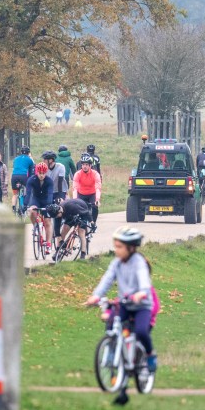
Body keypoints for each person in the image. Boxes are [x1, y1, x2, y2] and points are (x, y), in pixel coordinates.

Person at [85, 226, 157, 372]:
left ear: (131, 248)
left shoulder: (138, 262)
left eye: (119, 247)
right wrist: (96, 295)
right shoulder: (116, 263)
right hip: (125, 304)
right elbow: (107, 279)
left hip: (142, 305)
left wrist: (142, 293)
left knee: (141, 331)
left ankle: (150, 355)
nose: (116, 250)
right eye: (115, 246)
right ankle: (111, 353)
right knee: (111, 323)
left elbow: (144, 279)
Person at [25, 162, 55, 250]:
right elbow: (28, 193)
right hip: (36, 199)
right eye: (40, 173)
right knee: (32, 211)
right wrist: (25, 204)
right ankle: (35, 226)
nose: (41, 175)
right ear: (37, 172)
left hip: (46, 200)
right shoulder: (31, 179)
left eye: (43, 173)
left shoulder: (49, 181)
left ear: (46, 173)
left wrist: (49, 205)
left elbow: (50, 194)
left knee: (47, 221)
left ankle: (48, 243)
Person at [72, 154, 101, 226]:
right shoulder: (77, 174)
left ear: (90, 165)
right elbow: (75, 188)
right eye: (83, 164)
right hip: (81, 194)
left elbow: (98, 188)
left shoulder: (95, 174)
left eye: (86, 164)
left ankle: (93, 223)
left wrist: (97, 199)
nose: (84, 166)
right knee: (79, 208)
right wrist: (75, 199)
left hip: (92, 194)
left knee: (94, 207)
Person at [10, 146, 34, 213]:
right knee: (28, 190)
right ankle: (25, 206)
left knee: (15, 194)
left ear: (21, 152)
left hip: (14, 176)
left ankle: (14, 208)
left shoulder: (16, 159)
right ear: (28, 152)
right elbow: (30, 172)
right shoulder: (30, 160)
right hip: (23, 176)